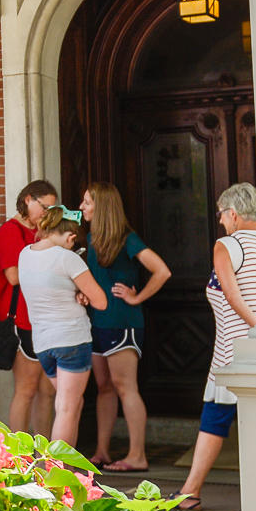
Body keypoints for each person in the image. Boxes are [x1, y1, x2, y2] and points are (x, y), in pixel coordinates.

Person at [178, 183, 256, 511]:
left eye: (221, 215)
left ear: (233, 214)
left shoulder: (226, 245)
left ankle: (191, 491)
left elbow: (232, 295)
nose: (221, 222)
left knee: (214, 419)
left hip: (235, 350)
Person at [79, 182, 172, 473]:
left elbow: (162, 270)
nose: (82, 207)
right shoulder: (92, 237)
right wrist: (83, 294)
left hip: (122, 322)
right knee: (104, 387)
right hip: (95, 323)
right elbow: (94, 279)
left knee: (124, 387)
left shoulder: (126, 238)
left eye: (87, 202)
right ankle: (102, 451)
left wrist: (137, 297)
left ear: (101, 206)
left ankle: (137, 455)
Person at [8, 206, 107, 446]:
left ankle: (66, 469)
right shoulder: (67, 257)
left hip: (42, 344)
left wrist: (78, 292)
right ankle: (54, 471)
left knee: (72, 404)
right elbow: (101, 301)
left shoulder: (24, 254)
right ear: (71, 237)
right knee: (66, 408)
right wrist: (82, 293)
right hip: (72, 339)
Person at [0, 181, 60, 437]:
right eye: (45, 207)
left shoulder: (42, 232)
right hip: (21, 318)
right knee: (26, 388)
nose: (47, 214)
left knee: (48, 390)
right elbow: (13, 276)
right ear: (28, 200)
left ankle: (43, 455)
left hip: (43, 319)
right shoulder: (10, 231)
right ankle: (17, 457)